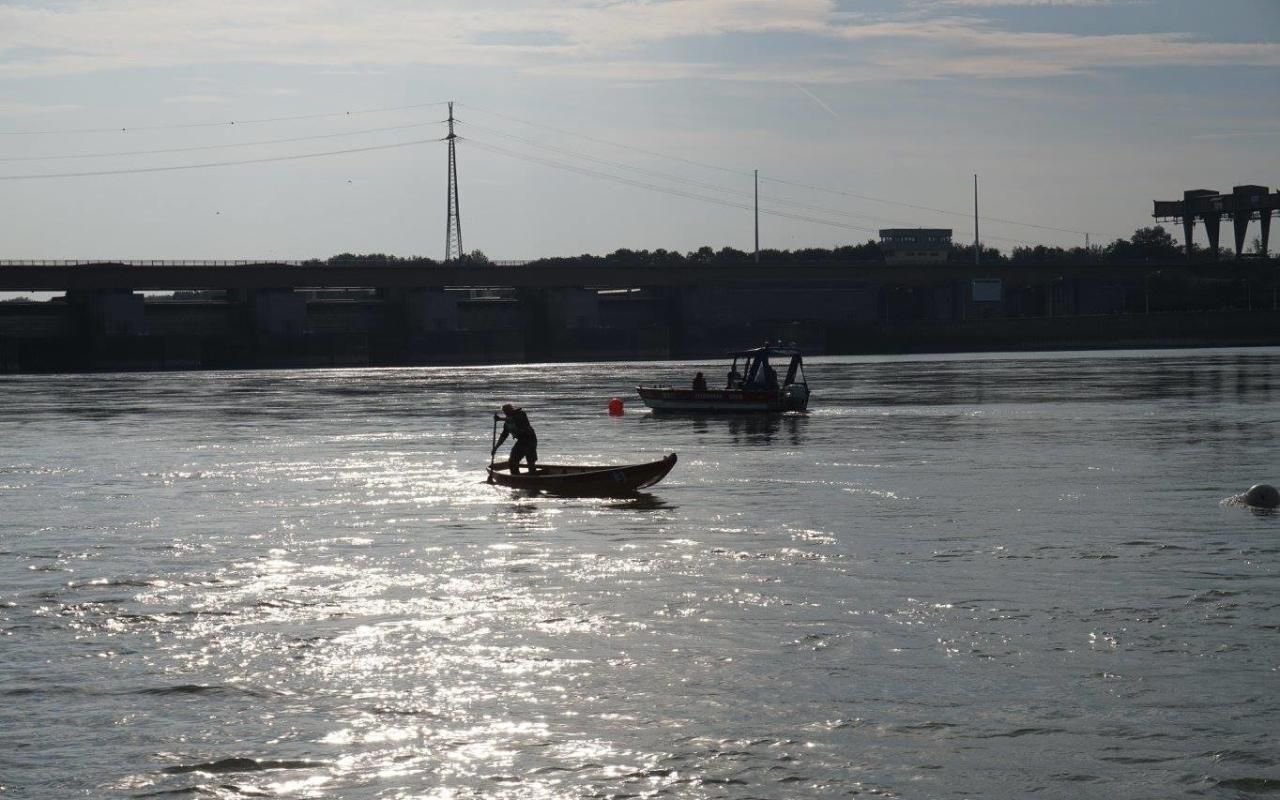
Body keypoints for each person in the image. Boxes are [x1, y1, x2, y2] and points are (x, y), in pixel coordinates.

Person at [493, 403, 538, 474]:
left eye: (507, 411)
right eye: (505, 412)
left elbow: (514, 419)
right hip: (521, 441)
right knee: (512, 461)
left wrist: (500, 419)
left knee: (530, 461)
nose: (506, 413)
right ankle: (516, 476)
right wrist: (495, 448)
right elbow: (503, 437)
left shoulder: (521, 414)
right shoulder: (506, 424)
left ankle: (534, 477)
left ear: (512, 410)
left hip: (530, 439)